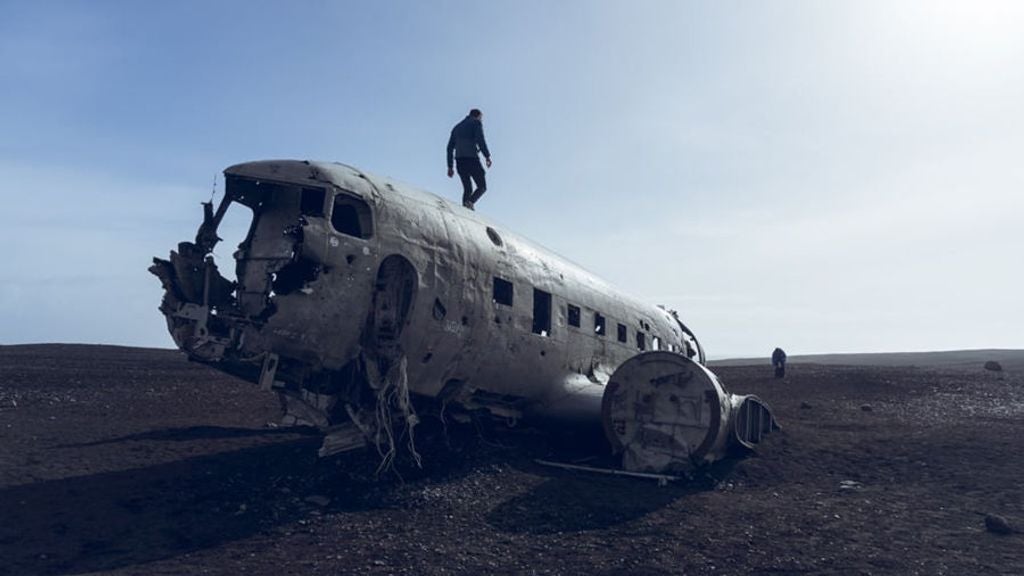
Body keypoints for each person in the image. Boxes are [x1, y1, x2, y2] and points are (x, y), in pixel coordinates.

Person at [447, 108, 492, 210]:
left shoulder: (456, 128)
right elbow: (481, 140)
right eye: (481, 118)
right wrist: (487, 156)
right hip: (471, 159)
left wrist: (450, 166)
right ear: (478, 116)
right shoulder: (476, 123)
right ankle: (470, 203)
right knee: (482, 186)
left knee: (467, 189)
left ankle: (465, 209)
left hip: (459, 161)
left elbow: (449, 148)